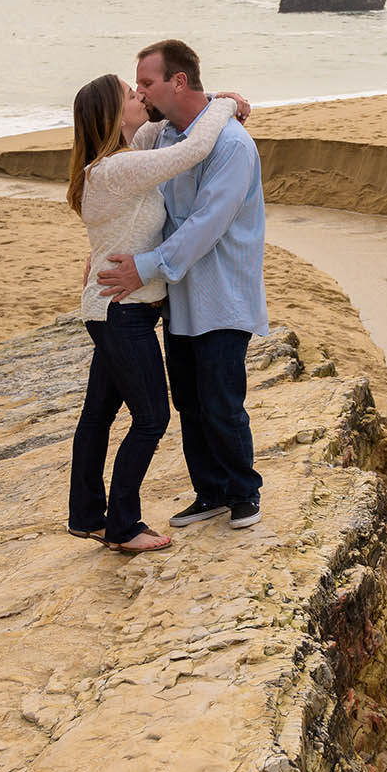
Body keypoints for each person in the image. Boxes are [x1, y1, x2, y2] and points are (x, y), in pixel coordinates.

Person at [98, 39, 269, 530]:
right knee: (189, 403)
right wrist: (225, 99)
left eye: (148, 83)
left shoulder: (232, 144)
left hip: (222, 293)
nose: (143, 93)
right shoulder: (165, 138)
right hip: (181, 299)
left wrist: (144, 266)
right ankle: (210, 492)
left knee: (221, 401)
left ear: (177, 81)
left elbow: (206, 223)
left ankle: (243, 493)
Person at [66, 73, 237, 552]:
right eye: (129, 94)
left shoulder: (115, 162)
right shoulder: (118, 170)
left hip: (111, 309)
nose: (139, 96)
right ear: (112, 114)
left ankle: (86, 516)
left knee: (97, 415)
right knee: (150, 418)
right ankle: (122, 526)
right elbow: (192, 150)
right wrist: (224, 103)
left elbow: (155, 136)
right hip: (123, 312)